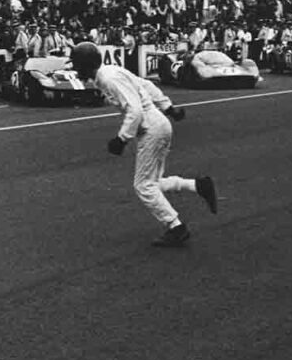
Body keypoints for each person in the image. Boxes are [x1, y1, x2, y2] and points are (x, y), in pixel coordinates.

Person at [69, 41, 215, 248]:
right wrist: (168, 107)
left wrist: (122, 138)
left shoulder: (108, 79)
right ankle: (197, 185)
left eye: (77, 66)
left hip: (151, 129)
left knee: (144, 186)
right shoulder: (111, 72)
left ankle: (176, 227)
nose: (76, 71)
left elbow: (135, 110)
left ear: (86, 65)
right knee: (153, 183)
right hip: (159, 124)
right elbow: (146, 85)